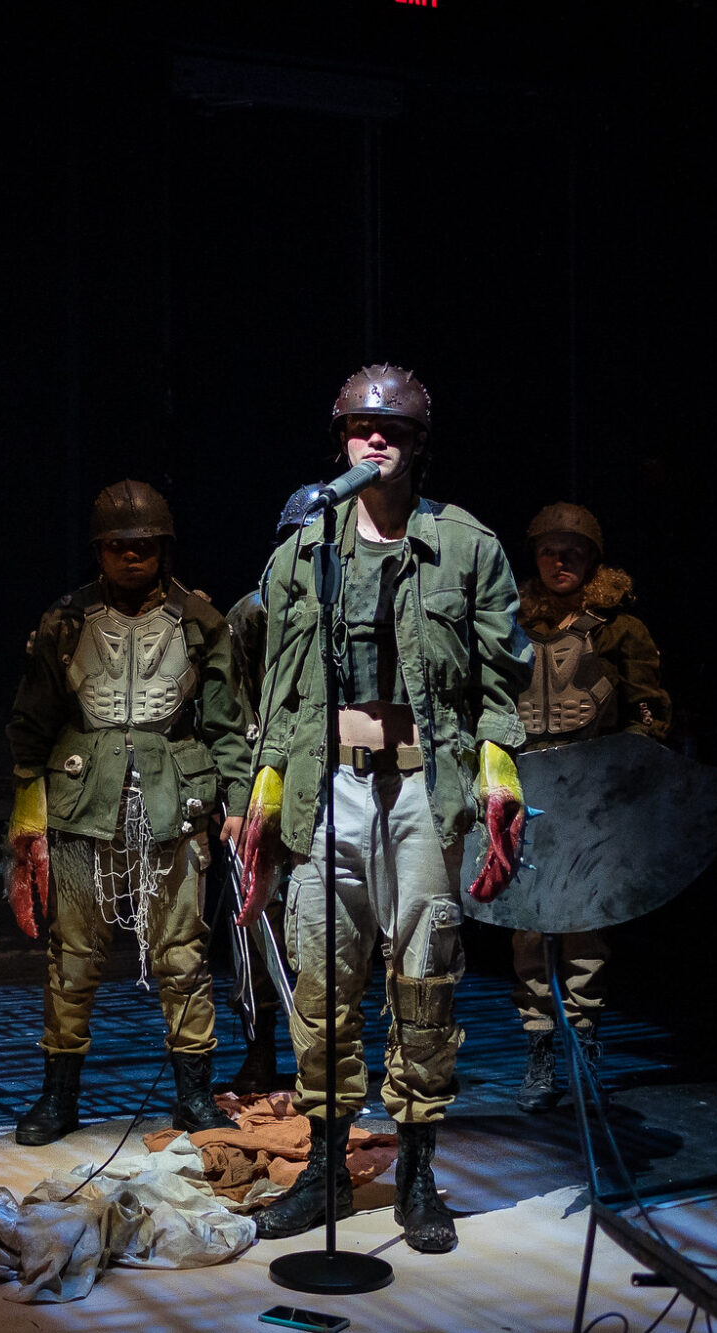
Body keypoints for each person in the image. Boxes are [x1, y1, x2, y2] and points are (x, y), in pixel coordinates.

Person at [237, 365, 534, 1254]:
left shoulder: (466, 546)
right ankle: (328, 1164)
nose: (377, 442)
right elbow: (280, 689)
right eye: (362, 429)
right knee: (323, 978)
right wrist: (263, 791)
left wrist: (499, 779)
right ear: (341, 439)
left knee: (425, 977)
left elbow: (499, 679)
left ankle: (415, 1169)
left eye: (393, 431)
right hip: (332, 786)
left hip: (421, 786)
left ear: (416, 445)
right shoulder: (304, 545)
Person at [4, 480, 255, 1146]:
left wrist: (236, 800)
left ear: (163, 546)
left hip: (175, 802)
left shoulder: (201, 621)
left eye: (142, 543)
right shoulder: (65, 620)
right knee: (73, 955)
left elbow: (229, 722)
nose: (130, 555)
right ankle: (58, 1096)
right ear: (99, 551)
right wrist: (27, 810)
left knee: (182, 954)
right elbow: (32, 722)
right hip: (83, 802)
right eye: (116, 545)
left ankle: (194, 1096)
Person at [508, 501, 671, 1111]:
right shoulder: (513, 623)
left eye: (573, 551)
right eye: (550, 549)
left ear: (593, 560)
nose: (561, 559)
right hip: (527, 793)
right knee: (528, 927)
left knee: (584, 926)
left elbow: (648, 709)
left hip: (591, 796)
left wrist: (629, 771)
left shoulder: (618, 630)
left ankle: (584, 1038)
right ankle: (539, 1045)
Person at [218, 483, 324, 1094]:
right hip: (267, 783)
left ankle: (326, 1055)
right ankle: (260, 1049)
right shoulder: (253, 613)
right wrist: (238, 796)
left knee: (327, 926)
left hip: (333, 783)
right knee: (252, 926)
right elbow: (232, 712)